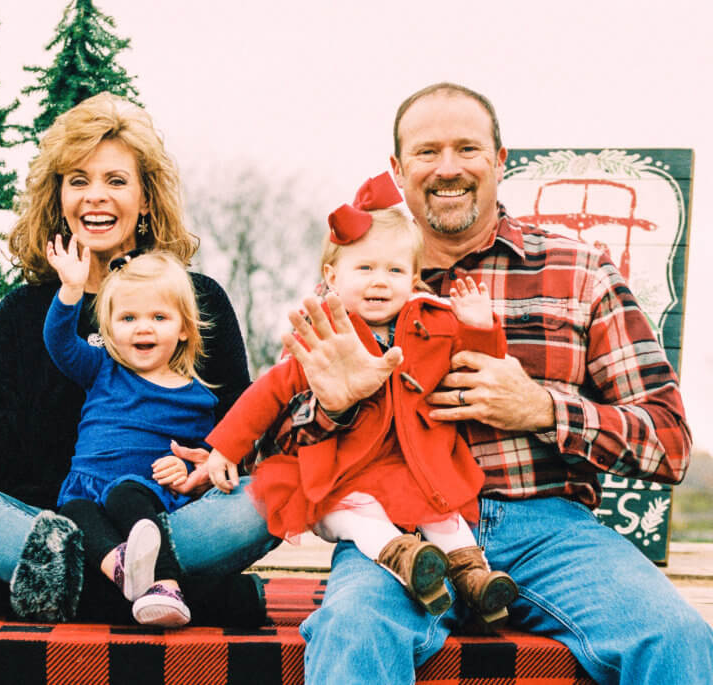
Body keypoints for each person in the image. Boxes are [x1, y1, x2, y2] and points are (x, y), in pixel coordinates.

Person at [287, 83, 713, 684]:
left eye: (467, 148)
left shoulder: (580, 272)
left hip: (548, 528)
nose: (448, 168)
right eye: (426, 151)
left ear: (500, 159)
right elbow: (280, 446)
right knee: (353, 632)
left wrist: (543, 409)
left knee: (674, 638)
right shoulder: (354, 289)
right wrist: (333, 407)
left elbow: (668, 443)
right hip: (402, 535)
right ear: (397, 168)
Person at [0, 92, 274, 627]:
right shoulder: (27, 312)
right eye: (78, 180)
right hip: (49, 526)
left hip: (166, 522)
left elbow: (243, 431)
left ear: (146, 198)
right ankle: (196, 596)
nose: (95, 197)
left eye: (116, 181)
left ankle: (44, 592)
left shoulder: (199, 300)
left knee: (274, 495)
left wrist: (206, 462)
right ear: (59, 198)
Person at [205, 176, 517, 624]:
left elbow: (477, 369)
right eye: (365, 269)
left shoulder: (434, 325)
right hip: (342, 471)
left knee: (445, 517)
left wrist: (479, 327)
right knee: (359, 513)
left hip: (414, 464)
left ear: (413, 280)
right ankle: (405, 560)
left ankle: (476, 580)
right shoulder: (325, 334)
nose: (379, 282)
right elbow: (270, 391)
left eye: (393, 271)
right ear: (333, 277)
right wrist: (226, 447)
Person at [44, 244, 218, 626]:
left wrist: (184, 465)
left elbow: (204, 450)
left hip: (143, 492)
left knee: (125, 494)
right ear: (109, 329)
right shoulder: (101, 368)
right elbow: (59, 344)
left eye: (159, 316)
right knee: (72, 515)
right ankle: (120, 567)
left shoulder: (196, 397)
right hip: (85, 488)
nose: (143, 327)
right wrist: (71, 290)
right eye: (128, 317)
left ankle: (167, 587)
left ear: (184, 328)